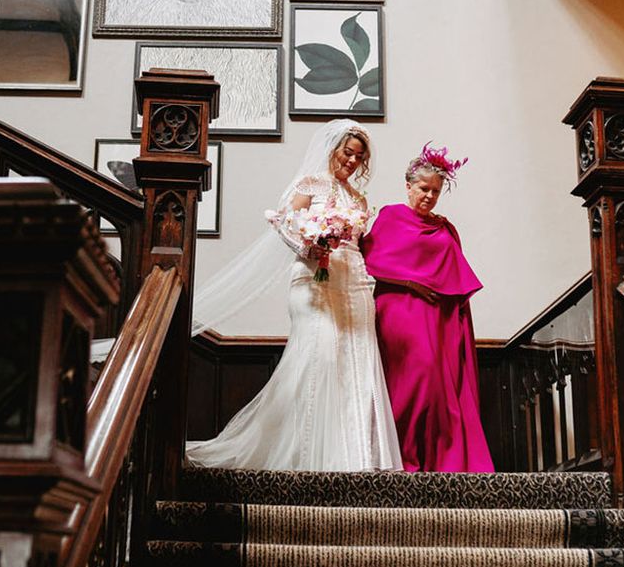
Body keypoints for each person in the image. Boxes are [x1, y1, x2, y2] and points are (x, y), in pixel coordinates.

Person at [187, 120, 402, 472]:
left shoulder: (360, 199)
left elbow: (360, 244)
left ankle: (353, 458)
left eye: (358, 157)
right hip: (315, 282)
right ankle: (310, 456)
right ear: (333, 148)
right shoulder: (310, 184)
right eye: (347, 152)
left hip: (354, 285)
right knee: (322, 357)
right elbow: (285, 223)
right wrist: (312, 245)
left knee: (356, 364)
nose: (351, 161)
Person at [360, 143, 494, 473]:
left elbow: (454, 276)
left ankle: (435, 461)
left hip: (436, 317)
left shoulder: (444, 227)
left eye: (435, 192)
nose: (429, 196)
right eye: (423, 189)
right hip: (399, 310)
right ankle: (400, 459)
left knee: (437, 386)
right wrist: (412, 284)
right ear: (408, 186)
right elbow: (371, 263)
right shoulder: (390, 216)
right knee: (411, 379)